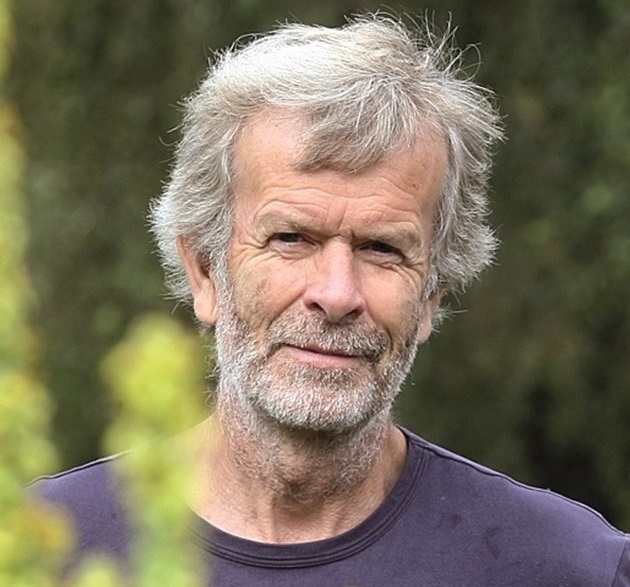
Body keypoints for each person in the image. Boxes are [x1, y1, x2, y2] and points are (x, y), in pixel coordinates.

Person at [32, 13, 629, 586]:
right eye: (291, 238)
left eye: (382, 249)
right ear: (205, 271)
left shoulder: (565, 568)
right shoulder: (42, 552)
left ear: (430, 296)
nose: (337, 294)